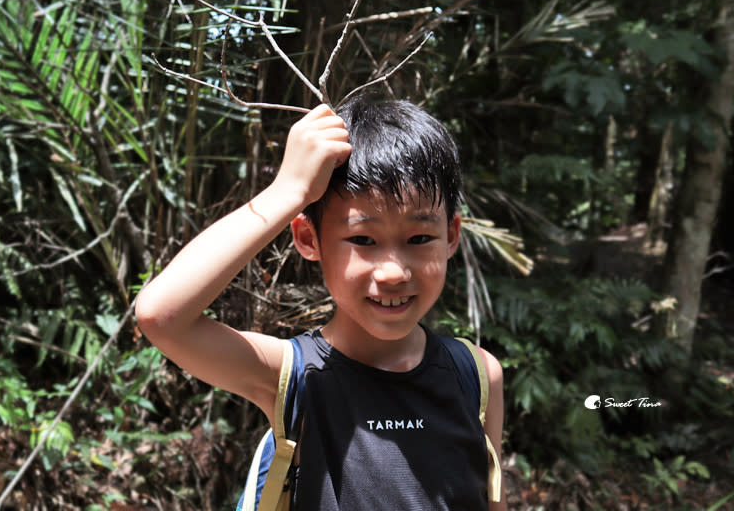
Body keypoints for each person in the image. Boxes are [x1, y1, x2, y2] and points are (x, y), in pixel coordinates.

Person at [135, 93, 506, 510]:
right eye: (362, 239)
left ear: (451, 236)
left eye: (419, 238)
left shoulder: (476, 376)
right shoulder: (294, 376)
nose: (393, 272)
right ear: (309, 239)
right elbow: (161, 316)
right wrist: (287, 190)